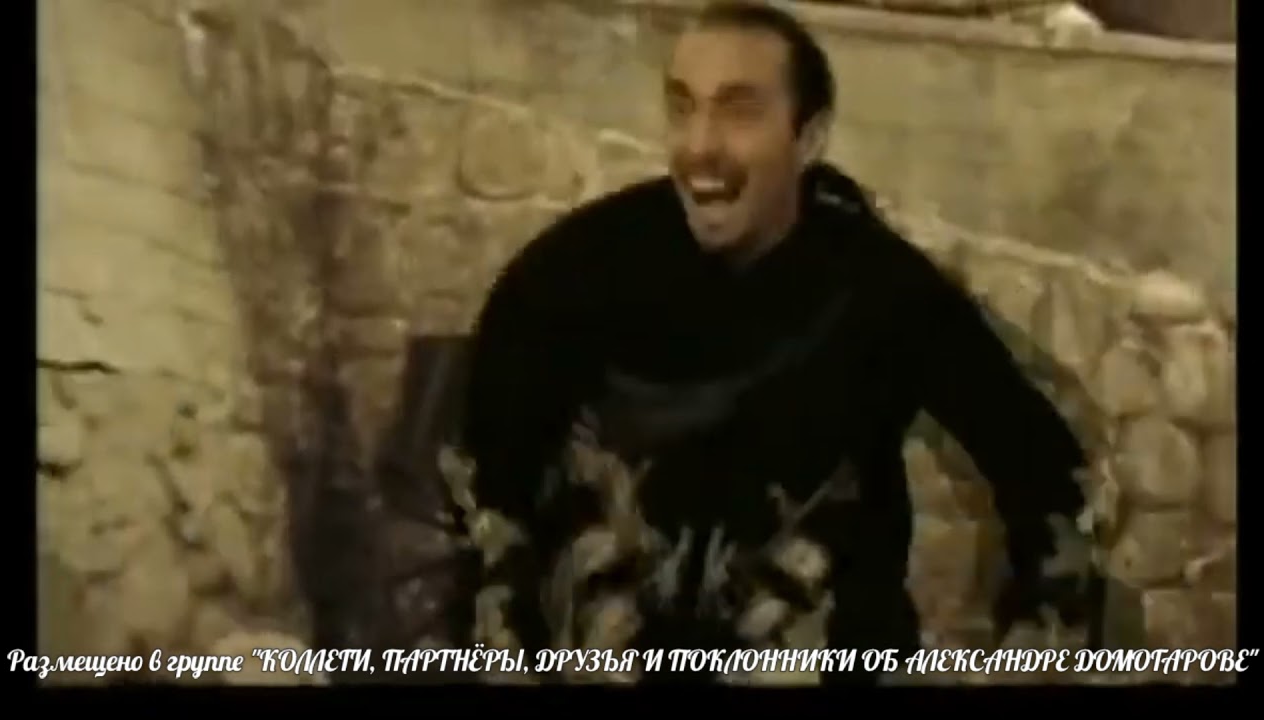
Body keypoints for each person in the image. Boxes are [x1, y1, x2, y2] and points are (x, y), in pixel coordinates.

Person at [459, 0, 1092, 685]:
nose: (699, 145)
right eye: (682, 107)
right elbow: (485, 504)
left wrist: (1031, 653)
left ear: (809, 137)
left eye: (739, 111)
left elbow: (1050, 480)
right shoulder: (566, 278)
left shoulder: (884, 292)